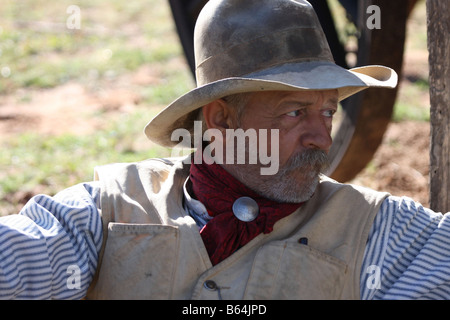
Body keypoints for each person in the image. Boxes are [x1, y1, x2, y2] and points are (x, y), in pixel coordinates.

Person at [0, 0, 449, 300]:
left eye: (328, 112)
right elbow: (21, 259)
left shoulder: (372, 229)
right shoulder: (110, 208)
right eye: (295, 112)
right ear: (219, 119)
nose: (322, 139)